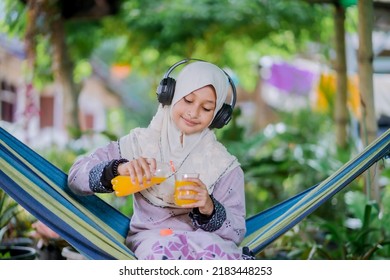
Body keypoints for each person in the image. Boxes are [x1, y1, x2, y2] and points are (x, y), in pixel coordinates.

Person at [68, 60, 254, 260]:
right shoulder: (137, 145)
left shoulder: (224, 166)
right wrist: (118, 169)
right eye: (188, 100)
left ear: (218, 115)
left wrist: (209, 207)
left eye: (207, 108)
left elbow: (236, 232)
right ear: (171, 95)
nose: (193, 112)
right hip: (153, 242)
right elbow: (76, 178)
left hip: (206, 244)